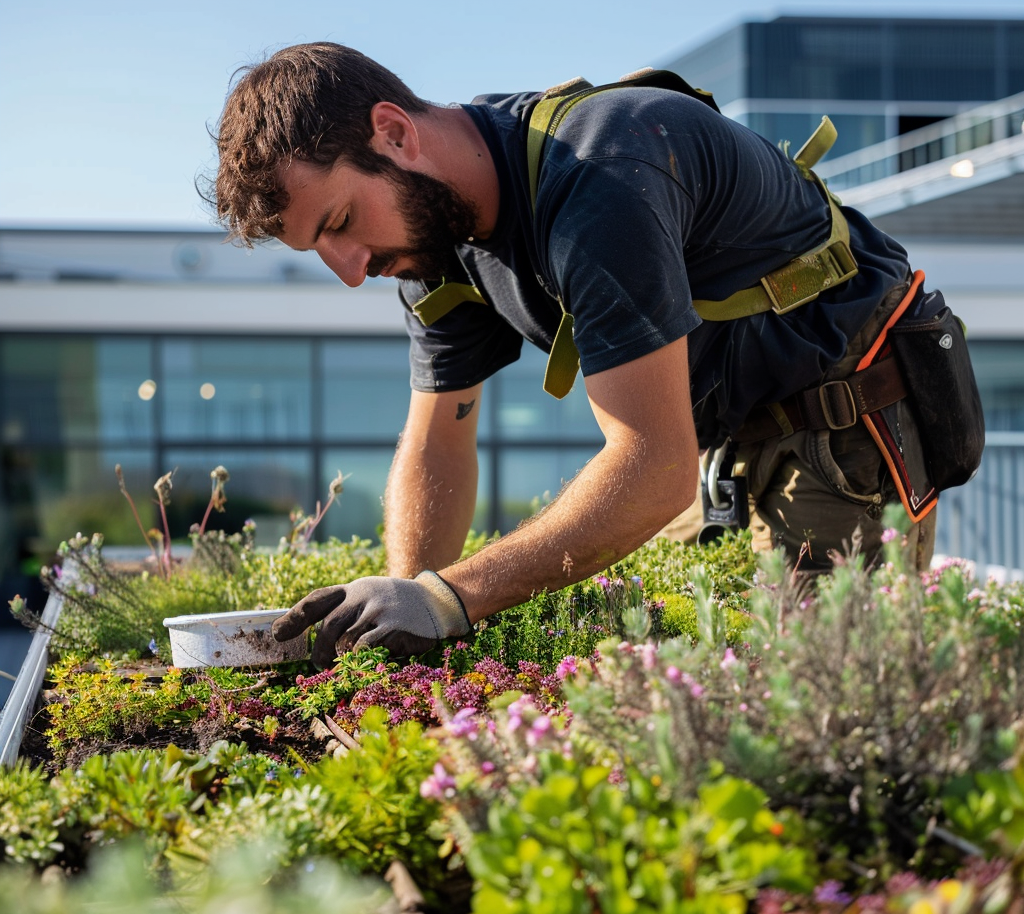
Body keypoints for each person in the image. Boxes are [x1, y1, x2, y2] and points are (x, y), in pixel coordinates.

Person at [210, 41, 940, 667]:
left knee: (821, 712)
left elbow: (652, 471)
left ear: (394, 132)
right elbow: (439, 444)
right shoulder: (434, 237)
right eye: (321, 249)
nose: (349, 267)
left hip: (839, 419)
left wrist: (446, 598)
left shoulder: (599, 177)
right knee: (677, 682)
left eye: (340, 222)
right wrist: (401, 612)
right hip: (717, 446)